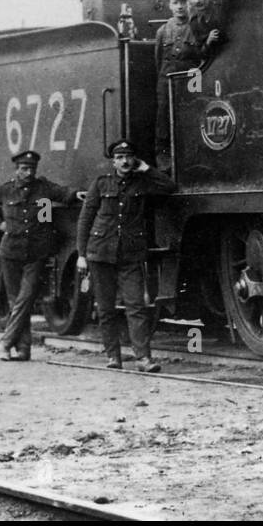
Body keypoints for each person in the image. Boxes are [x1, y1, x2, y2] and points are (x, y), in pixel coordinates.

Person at [76, 140, 177, 372]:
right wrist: (81, 254)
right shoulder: (101, 184)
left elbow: (170, 187)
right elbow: (85, 220)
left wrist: (147, 169)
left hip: (130, 255)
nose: (125, 161)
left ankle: (143, 358)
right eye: (120, 157)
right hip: (100, 254)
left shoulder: (143, 182)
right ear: (113, 161)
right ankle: (113, 356)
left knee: (136, 306)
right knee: (106, 308)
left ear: (134, 160)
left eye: (129, 157)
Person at [0, 151, 79, 362]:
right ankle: (24, 350)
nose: (29, 172)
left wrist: (79, 194)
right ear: (17, 170)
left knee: (26, 297)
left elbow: (65, 194)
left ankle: (5, 343)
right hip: (10, 252)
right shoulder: (6, 190)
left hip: (36, 252)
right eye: (24, 169)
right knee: (16, 301)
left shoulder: (44, 188)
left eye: (32, 169)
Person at [153, 0, 192, 169]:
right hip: (166, 81)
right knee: (164, 120)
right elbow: (158, 59)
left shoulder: (196, 26)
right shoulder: (162, 31)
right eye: (175, 3)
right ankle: (164, 163)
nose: (180, 7)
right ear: (170, 5)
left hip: (192, 79)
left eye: (183, 2)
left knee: (192, 115)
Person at [180, 0, 227, 72]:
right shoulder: (194, 22)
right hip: (212, 65)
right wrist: (208, 42)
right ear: (188, 0)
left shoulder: (221, 10)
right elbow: (199, 53)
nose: (197, 0)